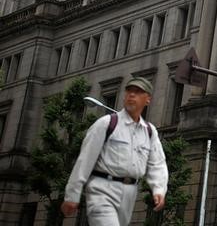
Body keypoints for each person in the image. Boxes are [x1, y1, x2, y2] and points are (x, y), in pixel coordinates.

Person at [61, 77, 168, 226]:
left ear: (147, 99)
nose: (131, 95)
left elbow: (157, 163)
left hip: (130, 192)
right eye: (129, 91)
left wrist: (159, 189)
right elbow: (84, 161)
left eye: (137, 92)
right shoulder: (106, 123)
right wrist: (72, 195)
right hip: (102, 189)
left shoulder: (149, 132)